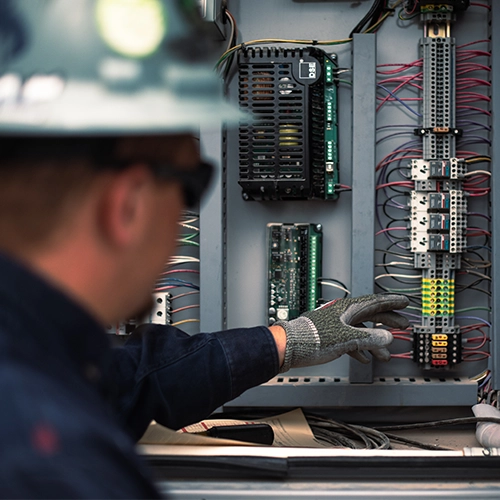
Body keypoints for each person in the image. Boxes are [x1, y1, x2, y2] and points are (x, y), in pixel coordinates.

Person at [0, 0, 409, 497]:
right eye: (193, 184)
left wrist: (292, 339)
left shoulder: (38, 359)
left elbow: (130, 382)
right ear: (127, 205)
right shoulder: (56, 466)